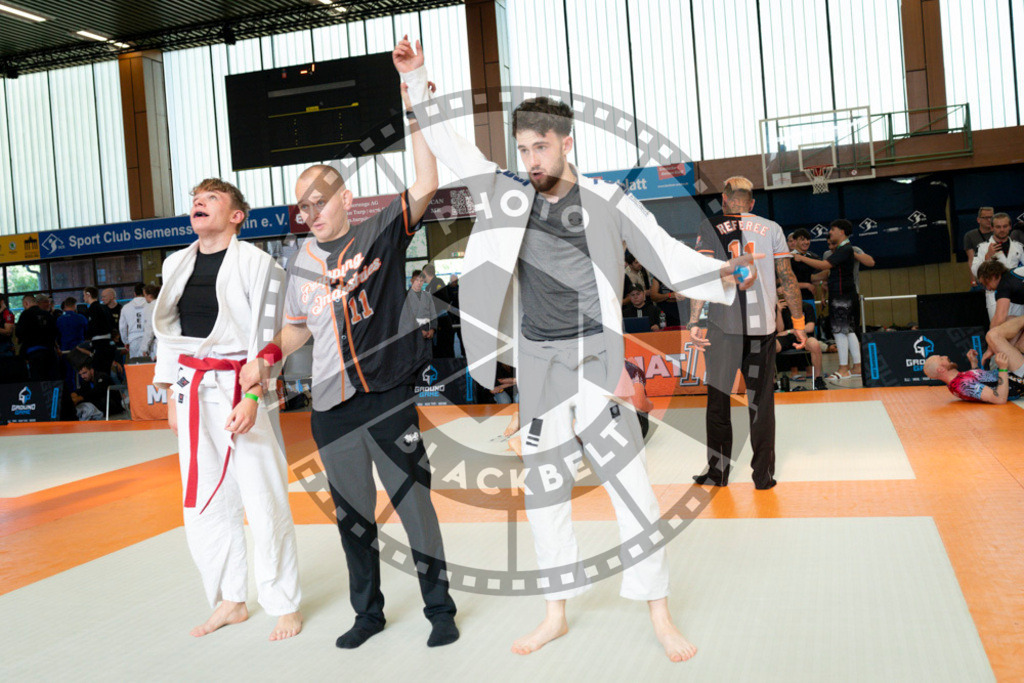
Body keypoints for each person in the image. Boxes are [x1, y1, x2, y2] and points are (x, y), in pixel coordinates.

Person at [396, 36, 759, 662]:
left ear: (567, 143)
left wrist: (724, 273)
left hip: (596, 359)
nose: (531, 158)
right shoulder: (508, 196)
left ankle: (659, 611)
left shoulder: (608, 201)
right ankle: (555, 612)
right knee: (544, 492)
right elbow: (455, 150)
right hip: (538, 364)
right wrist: (416, 77)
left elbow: (666, 256)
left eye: (541, 146)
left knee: (630, 485)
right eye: (523, 149)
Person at [239, 82, 459, 651]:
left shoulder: (378, 232)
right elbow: (297, 326)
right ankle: (368, 614)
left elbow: (426, 183)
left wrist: (414, 107)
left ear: (345, 198)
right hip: (331, 409)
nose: (310, 213)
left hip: (387, 398)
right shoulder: (299, 261)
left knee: (414, 507)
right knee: (353, 518)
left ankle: (440, 609)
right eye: (302, 206)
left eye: (319, 201)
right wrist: (267, 357)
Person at [152, 178, 302, 641]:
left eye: (211, 198)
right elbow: (170, 335)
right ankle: (231, 599)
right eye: (196, 198)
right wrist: (171, 394)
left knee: (263, 494)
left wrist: (253, 396)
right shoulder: (175, 263)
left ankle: (284, 602)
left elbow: (267, 335)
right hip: (193, 388)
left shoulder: (259, 264)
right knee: (206, 500)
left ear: (237, 215)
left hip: (241, 381)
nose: (198, 202)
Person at [687, 176, 806, 490]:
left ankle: (718, 473)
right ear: (752, 203)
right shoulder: (773, 228)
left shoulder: (710, 226)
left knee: (718, 401)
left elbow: (703, 276)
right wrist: (798, 323)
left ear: (725, 200)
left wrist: (694, 321)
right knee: (761, 404)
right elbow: (787, 278)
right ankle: (763, 476)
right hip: (761, 332)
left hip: (722, 330)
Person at [793, 220, 861, 381]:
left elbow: (824, 265)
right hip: (844, 294)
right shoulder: (842, 249)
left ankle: (843, 368)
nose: (830, 232)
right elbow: (826, 273)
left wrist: (801, 258)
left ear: (842, 232)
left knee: (840, 331)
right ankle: (857, 367)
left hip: (842, 295)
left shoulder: (845, 249)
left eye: (833, 229)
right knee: (849, 331)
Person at [923, 321, 1024, 403]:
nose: (945, 357)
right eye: (941, 358)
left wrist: (974, 363)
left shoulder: (957, 381)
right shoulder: (962, 385)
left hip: (1012, 374)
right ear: (941, 369)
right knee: (993, 335)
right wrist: (1003, 368)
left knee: (1012, 322)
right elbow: (999, 398)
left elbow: (982, 382)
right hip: (1018, 380)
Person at [971, 213, 1024, 322]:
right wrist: (987, 256)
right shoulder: (982, 247)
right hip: (994, 295)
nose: (1002, 230)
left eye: (1005, 226)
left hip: (1016, 295)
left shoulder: (1018, 246)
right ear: (992, 228)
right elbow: (975, 272)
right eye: (998, 227)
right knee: (999, 327)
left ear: (1010, 227)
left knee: (1018, 328)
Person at [776, 290, 826, 390]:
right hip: (786, 338)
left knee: (815, 344)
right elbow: (780, 330)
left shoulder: (806, 306)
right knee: (770, 346)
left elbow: (810, 327)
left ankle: (818, 379)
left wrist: (793, 331)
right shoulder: (780, 308)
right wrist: (778, 312)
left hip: (803, 336)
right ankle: (772, 382)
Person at [16, 294, 60, 381]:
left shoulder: (25, 314)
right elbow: (55, 332)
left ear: (25, 303)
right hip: (49, 351)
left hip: (33, 352)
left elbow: (19, 333)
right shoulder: (47, 315)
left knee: (38, 380)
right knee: (52, 379)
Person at [976, 261, 1024, 330]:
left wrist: (990, 334)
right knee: (1010, 320)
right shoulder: (1010, 276)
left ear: (992, 276)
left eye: (986, 284)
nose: (988, 288)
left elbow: (1000, 318)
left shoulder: (1003, 285)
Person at [407, 269, 437, 357]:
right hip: (412, 336)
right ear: (411, 280)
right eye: (416, 280)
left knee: (427, 359)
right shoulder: (405, 297)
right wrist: (419, 331)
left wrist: (432, 329)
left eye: (421, 281)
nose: (418, 283)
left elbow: (433, 314)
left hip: (427, 334)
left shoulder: (427, 296)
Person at [963, 206, 995, 289]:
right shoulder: (970, 236)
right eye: (985, 218)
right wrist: (973, 280)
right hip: (981, 277)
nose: (989, 220)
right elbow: (971, 259)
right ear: (978, 220)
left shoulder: (999, 233)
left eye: (991, 217)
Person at [119, 284, 154, 359]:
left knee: (136, 364)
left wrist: (126, 341)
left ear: (134, 293)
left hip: (133, 340)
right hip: (149, 338)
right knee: (150, 364)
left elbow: (122, 327)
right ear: (145, 293)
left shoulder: (126, 307)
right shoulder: (151, 305)